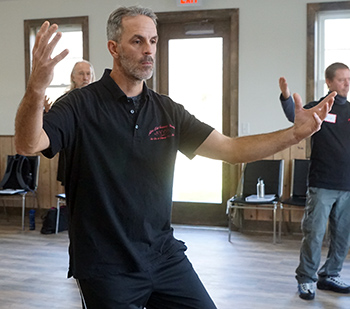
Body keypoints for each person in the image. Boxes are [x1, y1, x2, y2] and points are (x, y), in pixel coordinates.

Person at [14, 6, 335, 309]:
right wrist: (36, 87)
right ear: (113, 48)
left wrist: (294, 135)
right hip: (104, 264)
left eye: (152, 41)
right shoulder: (79, 105)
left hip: (163, 255)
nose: (149, 50)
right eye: (137, 41)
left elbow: (232, 150)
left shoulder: (166, 109)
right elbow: (29, 144)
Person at [279, 62, 350, 301]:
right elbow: (294, 116)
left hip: (347, 186)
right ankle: (306, 279)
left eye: (349, 79)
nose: (347, 84)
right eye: (342, 79)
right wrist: (287, 97)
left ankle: (330, 275)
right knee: (315, 233)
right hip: (322, 184)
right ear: (328, 82)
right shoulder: (318, 108)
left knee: (342, 235)